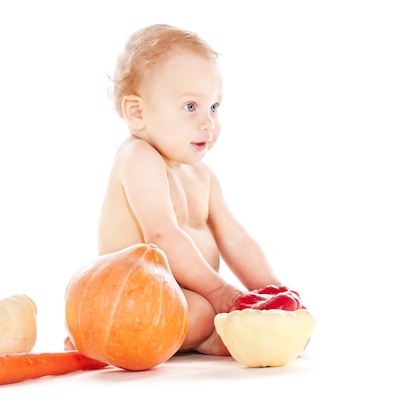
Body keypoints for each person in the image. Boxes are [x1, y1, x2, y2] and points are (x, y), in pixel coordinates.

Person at [97, 24, 282, 356]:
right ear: (137, 112)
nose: (208, 122)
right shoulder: (138, 157)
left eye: (214, 107)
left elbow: (235, 239)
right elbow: (162, 234)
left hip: (187, 295)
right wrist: (219, 291)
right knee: (203, 312)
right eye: (190, 107)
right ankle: (104, 339)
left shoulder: (203, 176)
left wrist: (274, 293)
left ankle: (207, 337)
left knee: (208, 310)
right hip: (131, 300)